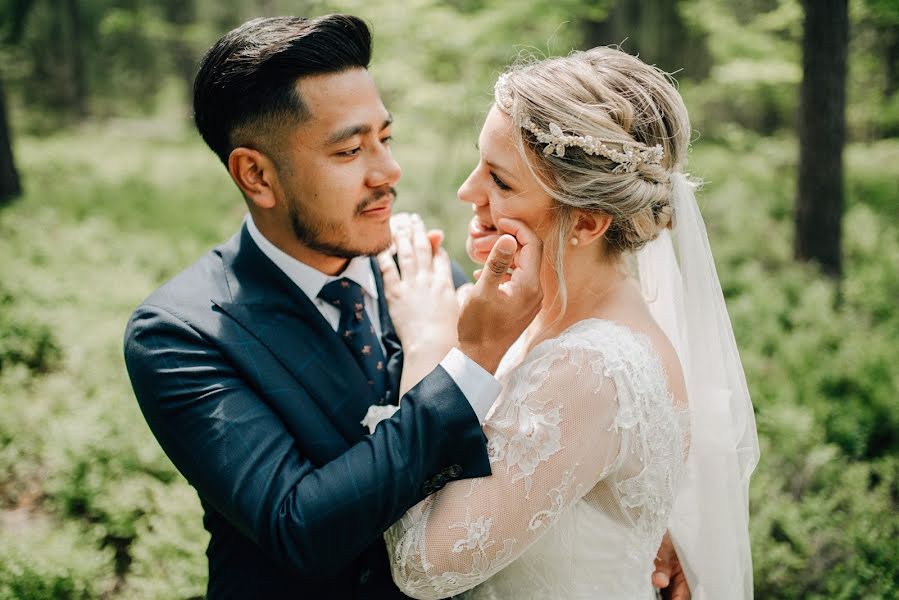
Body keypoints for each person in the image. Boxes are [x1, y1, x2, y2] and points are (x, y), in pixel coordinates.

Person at [123, 15, 545, 599]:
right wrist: (467, 361)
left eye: (385, 138)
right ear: (257, 175)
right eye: (350, 150)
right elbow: (300, 527)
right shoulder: (181, 332)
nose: (389, 172)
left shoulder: (422, 268)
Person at [374, 48, 759, 599]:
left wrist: (430, 344)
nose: (467, 191)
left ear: (585, 222)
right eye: (479, 163)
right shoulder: (559, 317)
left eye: (500, 182)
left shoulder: (592, 368)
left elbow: (424, 567)